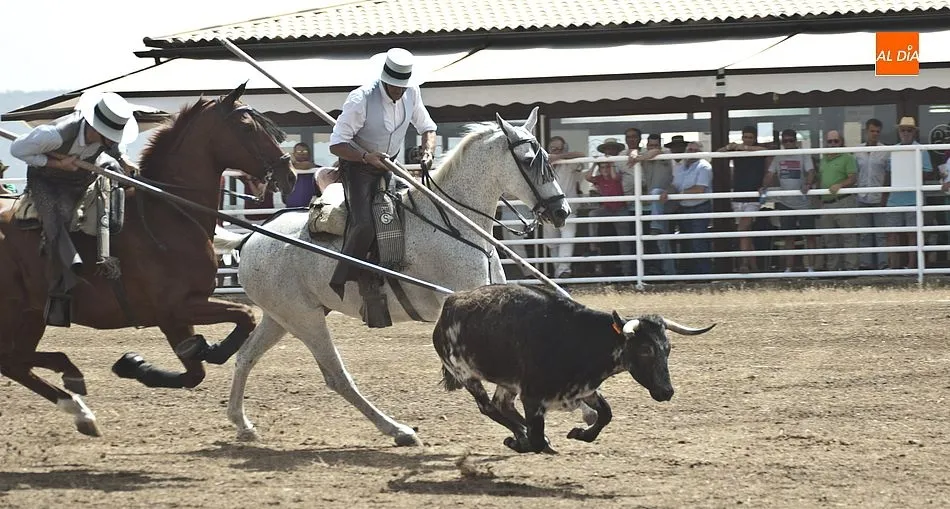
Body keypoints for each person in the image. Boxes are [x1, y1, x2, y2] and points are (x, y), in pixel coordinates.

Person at [9, 91, 141, 326]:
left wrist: (124, 159)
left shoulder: (107, 138)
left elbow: (114, 148)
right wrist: (57, 163)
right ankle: (62, 283)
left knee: (112, 186)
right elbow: (17, 149)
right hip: (47, 182)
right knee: (57, 219)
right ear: (96, 129)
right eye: (111, 135)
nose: (114, 139)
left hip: (80, 180)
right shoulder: (54, 134)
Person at [327, 48, 437, 327]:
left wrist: (428, 151)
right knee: (364, 223)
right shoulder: (360, 99)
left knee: (414, 212)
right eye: (395, 86)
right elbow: (337, 144)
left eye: (403, 86)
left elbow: (428, 127)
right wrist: (366, 157)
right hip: (359, 168)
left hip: (389, 165)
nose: (399, 91)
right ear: (384, 80)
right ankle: (345, 276)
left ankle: (400, 269)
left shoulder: (412, 93)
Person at [762, 129, 817, 272]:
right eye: (785, 141)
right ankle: (788, 268)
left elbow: (811, 171)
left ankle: (811, 267)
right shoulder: (778, 156)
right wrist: (764, 186)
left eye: (791, 140)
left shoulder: (803, 154)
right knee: (788, 236)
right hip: (785, 202)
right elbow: (770, 173)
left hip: (804, 203)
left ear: (796, 141)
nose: (788, 143)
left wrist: (808, 184)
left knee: (809, 236)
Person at [585, 137, 633, 276]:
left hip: (620, 210)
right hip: (607, 209)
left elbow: (614, 177)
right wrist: (595, 164)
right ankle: (593, 245)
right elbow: (588, 177)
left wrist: (610, 163)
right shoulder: (599, 178)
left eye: (606, 167)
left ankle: (627, 272)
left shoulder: (616, 175)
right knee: (592, 215)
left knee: (624, 242)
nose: (605, 169)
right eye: (603, 167)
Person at [543, 136, 585, 278]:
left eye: (560, 149)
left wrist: (559, 157)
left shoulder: (569, 163)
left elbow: (582, 154)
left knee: (567, 239)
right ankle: (559, 273)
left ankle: (563, 271)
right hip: (548, 211)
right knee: (552, 244)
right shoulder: (542, 165)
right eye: (554, 149)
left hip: (568, 209)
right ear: (548, 149)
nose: (556, 151)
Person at [283, 142, 319, 207]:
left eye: (305, 151)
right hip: (290, 208)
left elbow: (306, 165)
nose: (302, 154)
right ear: (294, 154)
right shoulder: (287, 169)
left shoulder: (316, 168)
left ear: (309, 154)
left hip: (310, 208)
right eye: (299, 151)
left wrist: (290, 163)